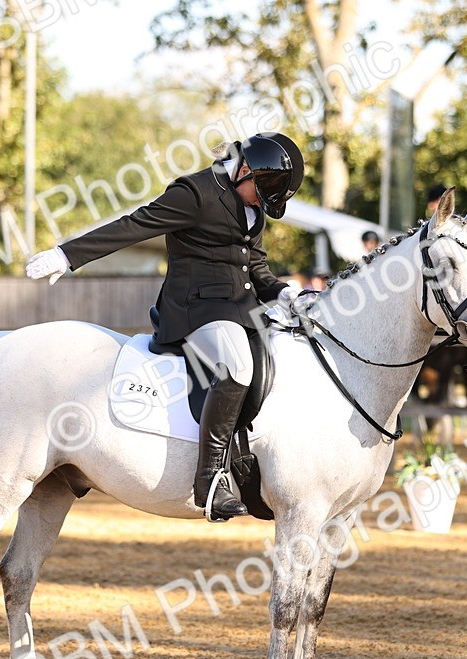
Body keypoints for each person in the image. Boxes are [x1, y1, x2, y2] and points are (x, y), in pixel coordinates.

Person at [25, 132, 313, 522]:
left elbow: (254, 266)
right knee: (237, 368)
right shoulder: (194, 193)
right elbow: (134, 225)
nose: (259, 204)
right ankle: (209, 477)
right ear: (245, 169)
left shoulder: (254, 207)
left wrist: (284, 293)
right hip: (195, 308)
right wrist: (67, 254)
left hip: (239, 309)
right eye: (259, 194)